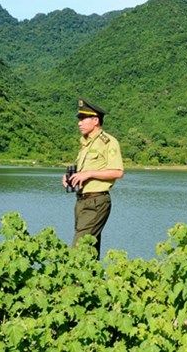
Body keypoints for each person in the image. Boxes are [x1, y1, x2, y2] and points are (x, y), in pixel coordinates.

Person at [63, 98, 124, 257]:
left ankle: (73, 281)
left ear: (96, 120)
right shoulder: (85, 144)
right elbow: (84, 170)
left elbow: (118, 172)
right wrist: (71, 177)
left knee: (78, 248)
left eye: (83, 119)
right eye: (79, 119)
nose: (79, 123)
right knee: (91, 249)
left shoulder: (108, 142)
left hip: (97, 202)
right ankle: (93, 281)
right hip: (82, 201)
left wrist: (89, 174)